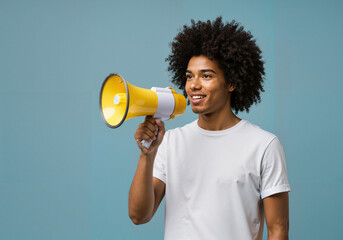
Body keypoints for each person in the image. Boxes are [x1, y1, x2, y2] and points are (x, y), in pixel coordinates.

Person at [128, 17, 290, 240]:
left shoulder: (263, 145)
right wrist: (147, 155)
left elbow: (278, 229)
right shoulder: (170, 142)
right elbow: (139, 215)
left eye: (206, 76)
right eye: (189, 76)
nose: (194, 85)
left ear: (231, 82)